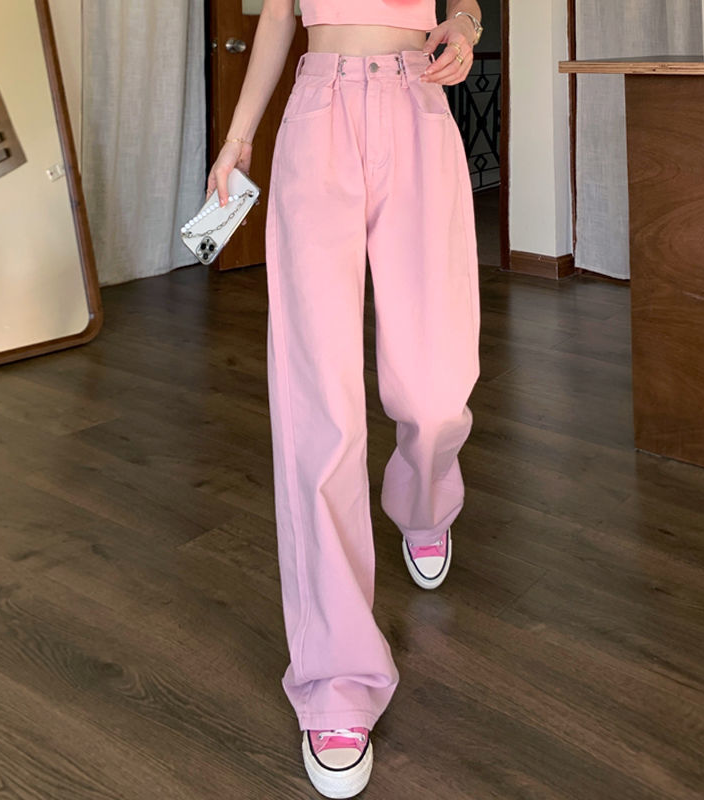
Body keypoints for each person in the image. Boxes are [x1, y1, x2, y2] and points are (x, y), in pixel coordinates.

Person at [206, 0, 482, 796]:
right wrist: (239, 137)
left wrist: (466, 28)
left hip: (416, 103)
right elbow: (276, 17)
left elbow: (464, 4)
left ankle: (425, 501)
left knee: (435, 389)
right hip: (318, 110)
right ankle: (335, 680)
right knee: (317, 405)